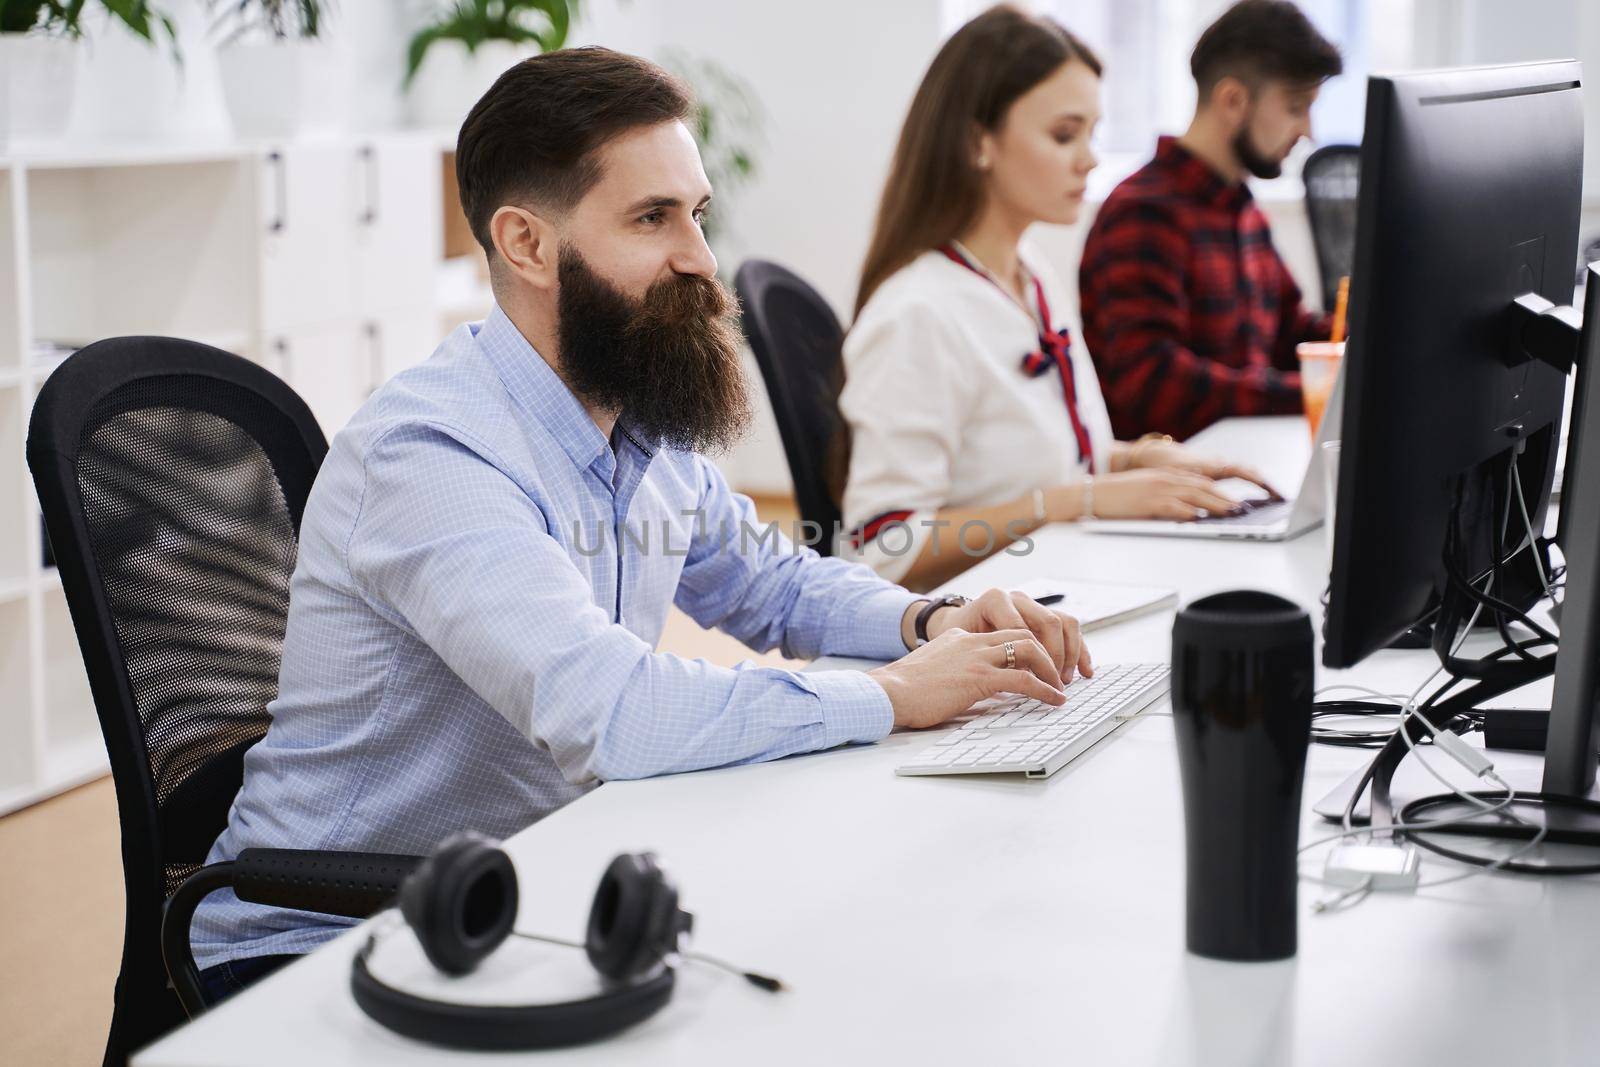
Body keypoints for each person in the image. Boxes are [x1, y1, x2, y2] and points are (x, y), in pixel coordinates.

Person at [189, 47, 1091, 995]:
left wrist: (931, 624)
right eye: (653, 218)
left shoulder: (634, 414)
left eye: (696, 214)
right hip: (324, 941)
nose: (701, 258)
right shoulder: (430, 454)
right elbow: (611, 714)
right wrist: (899, 695)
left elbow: (773, 584)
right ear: (528, 244)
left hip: (522, 891)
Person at [840, 4, 1269, 591]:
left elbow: (1036, 464)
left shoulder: (1030, 279)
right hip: (980, 636)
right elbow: (882, 547)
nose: (1089, 158)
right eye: (1064, 134)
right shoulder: (919, 313)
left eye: (1092, 133)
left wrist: (1139, 461)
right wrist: (1075, 500)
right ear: (977, 143)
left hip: (1063, 586)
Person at [1079, 0, 1343, 442]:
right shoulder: (1143, 214)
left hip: (1245, 462)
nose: (1308, 132)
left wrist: (1370, 345)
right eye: (1296, 106)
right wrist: (1314, 391)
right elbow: (1153, 384)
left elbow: (1290, 332)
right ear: (1233, 100)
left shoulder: (1243, 210)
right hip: (1173, 485)